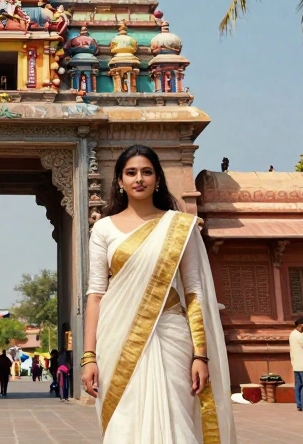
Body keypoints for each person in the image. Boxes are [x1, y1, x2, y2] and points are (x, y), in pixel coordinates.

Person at [82, 145, 236, 442]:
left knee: (175, 418)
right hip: (117, 338)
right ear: (119, 181)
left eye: (146, 172)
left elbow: (194, 291)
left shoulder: (179, 227)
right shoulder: (103, 229)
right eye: (131, 173)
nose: (139, 178)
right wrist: (89, 357)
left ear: (157, 179)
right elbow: (96, 294)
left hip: (171, 335)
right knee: (124, 423)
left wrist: (200, 355)